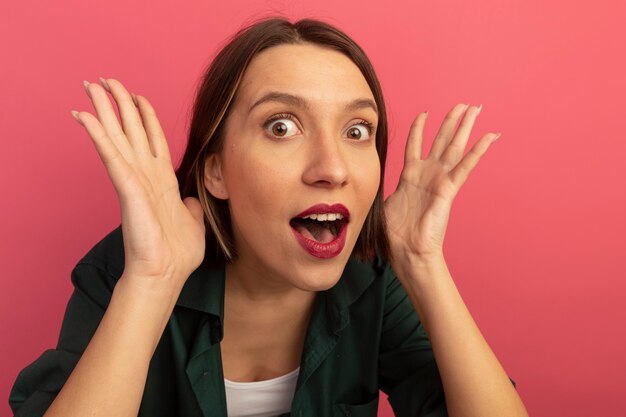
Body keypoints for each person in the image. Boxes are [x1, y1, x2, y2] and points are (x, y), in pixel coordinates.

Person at [9, 17, 528, 417]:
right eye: (281, 126)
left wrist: (421, 261)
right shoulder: (127, 268)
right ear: (216, 172)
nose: (332, 169)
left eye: (357, 131)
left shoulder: (373, 280)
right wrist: (151, 281)